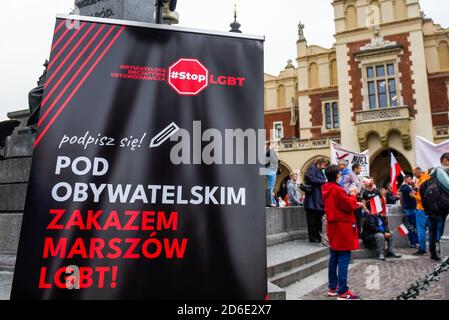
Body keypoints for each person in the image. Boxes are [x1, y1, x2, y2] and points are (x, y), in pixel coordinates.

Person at [322, 165, 361, 300]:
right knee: (344, 257)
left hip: (333, 226)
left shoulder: (327, 189)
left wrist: (353, 200)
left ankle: (333, 287)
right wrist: (353, 196)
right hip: (342, 226)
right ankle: (343, 291)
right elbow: (349, 206)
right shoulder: (338, 190)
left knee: (334, 257)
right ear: (338, 175)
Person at [421, 153, 449, 261]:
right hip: (441, 211)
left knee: (432, 233)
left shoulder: (426, 181)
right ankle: (443, 252)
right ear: (445, 161)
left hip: (430, 212)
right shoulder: (442, 176)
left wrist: (427, 210)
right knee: (442, 233)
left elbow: (423, 196)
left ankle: (433, 253)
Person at [304, 158, 328, 243]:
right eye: (324, 165)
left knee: (317, 220)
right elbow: (312, 180)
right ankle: (313, 237)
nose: (324, 167)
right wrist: (324, 181)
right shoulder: (312, 169)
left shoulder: (320, 171)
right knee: (312, 220)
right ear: (319, 163)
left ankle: (317, 236)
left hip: (317, 200)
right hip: (312, 200)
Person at [412, 167, 431, 256]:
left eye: (415, 174)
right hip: (430, 209)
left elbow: (422, 197)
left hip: (422, 208)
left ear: (418, 172)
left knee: (421, 230)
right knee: (432, 230)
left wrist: (414, 196)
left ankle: (422, 248)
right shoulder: (428, 178)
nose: (415, 176)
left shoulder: (422, 181)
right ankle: (432, 249)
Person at [399, 175, 419, 249]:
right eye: (410, 179)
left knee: (411, 226)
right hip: (410, 209)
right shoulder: (406, 187)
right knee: (413, 226)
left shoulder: (404, 187)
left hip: (408, 209)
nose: (412, 181)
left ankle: (413, 242)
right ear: (406, 180)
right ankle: (415, 242)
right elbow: (413, 195)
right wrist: (416, 188)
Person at [265, 142, 279, 207]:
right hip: (270, 171)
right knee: (270, 187)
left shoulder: (270, 151)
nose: (275, 145)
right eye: (274, 143)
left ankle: (270, 202)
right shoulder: (269, 150)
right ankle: (269, 202)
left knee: (270, 187)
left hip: (271, 171)